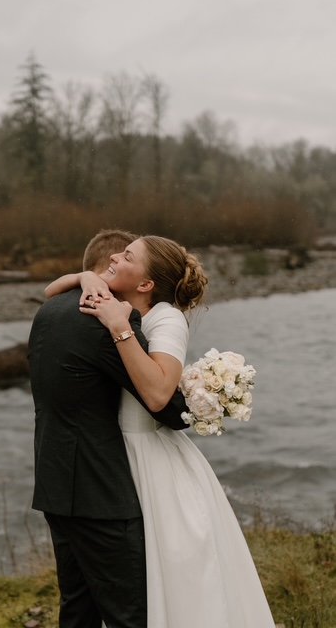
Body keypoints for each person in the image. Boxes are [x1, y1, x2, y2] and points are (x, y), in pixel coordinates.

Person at [49, 234, 275, 628]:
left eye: (128, 255)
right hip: (112, 456)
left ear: (146, 285)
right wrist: (87, 276)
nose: (116, 256)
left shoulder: (166, 318)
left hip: (149, 459)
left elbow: (156, 394)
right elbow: (52, 290)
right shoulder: (117, 298)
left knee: (169, 572)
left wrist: (119, 328)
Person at [28, 229, 188, 628]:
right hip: (101, 494)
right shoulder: (108, 320)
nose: (119, 259)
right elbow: (165, 406)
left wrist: (81, 278)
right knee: (127, 616)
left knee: (77, 610)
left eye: (128, 256)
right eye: (120, 255)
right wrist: (199, 402)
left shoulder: (50, 309)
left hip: (55, 482)